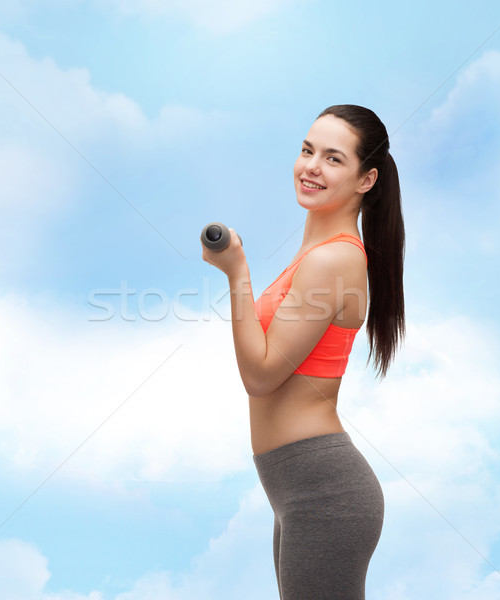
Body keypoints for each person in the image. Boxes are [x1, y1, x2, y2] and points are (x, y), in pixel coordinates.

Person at [201, 104, 405, 599]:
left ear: (366, 179)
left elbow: (262, 375)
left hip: (323, 491)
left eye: (333, 159)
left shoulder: (333, 260)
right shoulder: (318, 255)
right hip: (297, 487)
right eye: (307, 150)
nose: (311, 166)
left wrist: (237, 272)